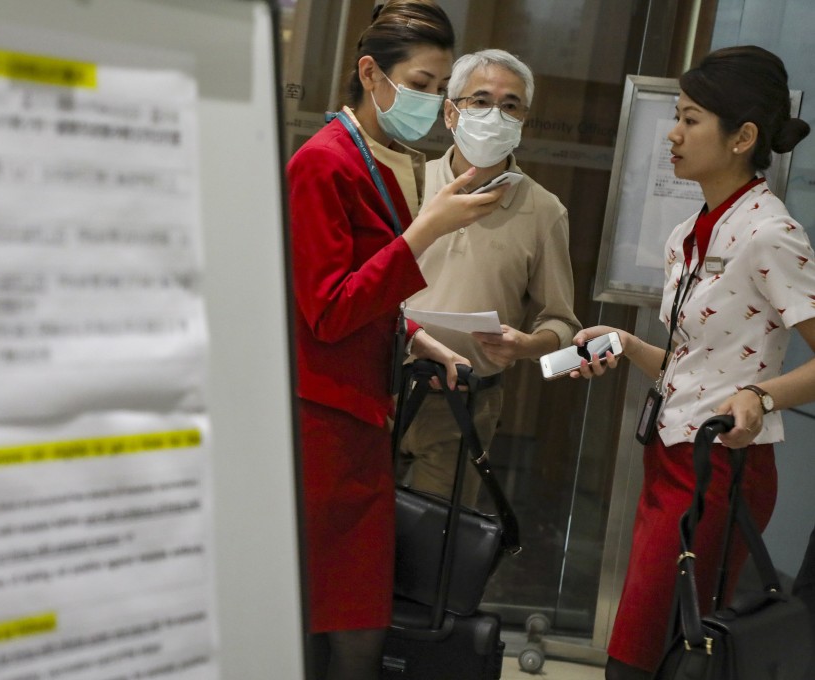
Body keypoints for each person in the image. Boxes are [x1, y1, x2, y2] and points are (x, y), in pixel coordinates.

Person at [570, 45, 814, 680]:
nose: (672, 135)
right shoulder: (691, 231)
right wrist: (625, 347)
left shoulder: (770, 233)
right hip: (669, 460)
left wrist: (763, 398)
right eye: (676, 116)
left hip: (720, 473)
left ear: (744, 137)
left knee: (642, 659)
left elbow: (746, 385)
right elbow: (697, 365)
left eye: (691, 119)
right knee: (648, 654)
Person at [286, 1, 510, 678]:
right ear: (368, 73)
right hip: (319, 429)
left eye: (437, 88)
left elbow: (364, 297)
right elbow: (324, 310)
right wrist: (428, 230)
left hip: (358, 421)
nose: (428, 101)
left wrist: (413, 338)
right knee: (333, 624)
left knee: (353, 621)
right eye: (417, 84)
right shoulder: (322, 165)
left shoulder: (382, 160)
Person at [398, 49, 580, 507]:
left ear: (523, 121)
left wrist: (527, 345)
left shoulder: (544, 210)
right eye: (479, 101)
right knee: (354, 535)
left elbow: (563, 324)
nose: (494, 114)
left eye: (510, 105)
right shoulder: (406, 180)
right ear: (450, 112)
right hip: (382, 384)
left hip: (463, 404)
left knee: (433, 544)